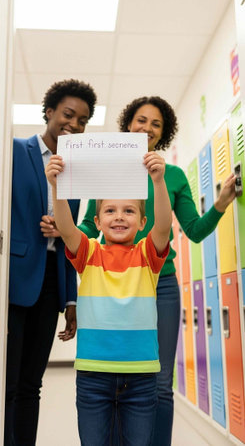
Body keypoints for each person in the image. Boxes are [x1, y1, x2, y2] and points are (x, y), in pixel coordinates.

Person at [78, 96, 237, 446]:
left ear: (163, 134)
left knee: (160, 382)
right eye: (140, 120)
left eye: (155, 124)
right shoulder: (110, 170)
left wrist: (222, 203)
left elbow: (193, 230)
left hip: (160, 283)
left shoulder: (174, 175)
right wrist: (66, 233)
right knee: (116, 380)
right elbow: (91, 230)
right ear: (128, 124)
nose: (146, 128)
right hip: (112, 283)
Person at [45, 149, 172, 446]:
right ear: (98, 221)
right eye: (110, 211)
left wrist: (158, 181)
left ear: (142, 222)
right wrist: (56, 186)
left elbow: (164, 226)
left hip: (141, 377)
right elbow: (66, 228)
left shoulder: (147, 255)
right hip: (93, 375)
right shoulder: (88, 253)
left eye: (129, 211)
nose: (119, 217)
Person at [4, 79, 97, 446]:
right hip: (13, 281)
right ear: (50, 113)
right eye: (68, 115)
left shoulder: (75, 171)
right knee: (7, 381)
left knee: (31, 384)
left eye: (82, 120)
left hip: (50, 282)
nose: (73, 125)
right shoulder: (12, 151)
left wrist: (71, 300)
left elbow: (70, 238)